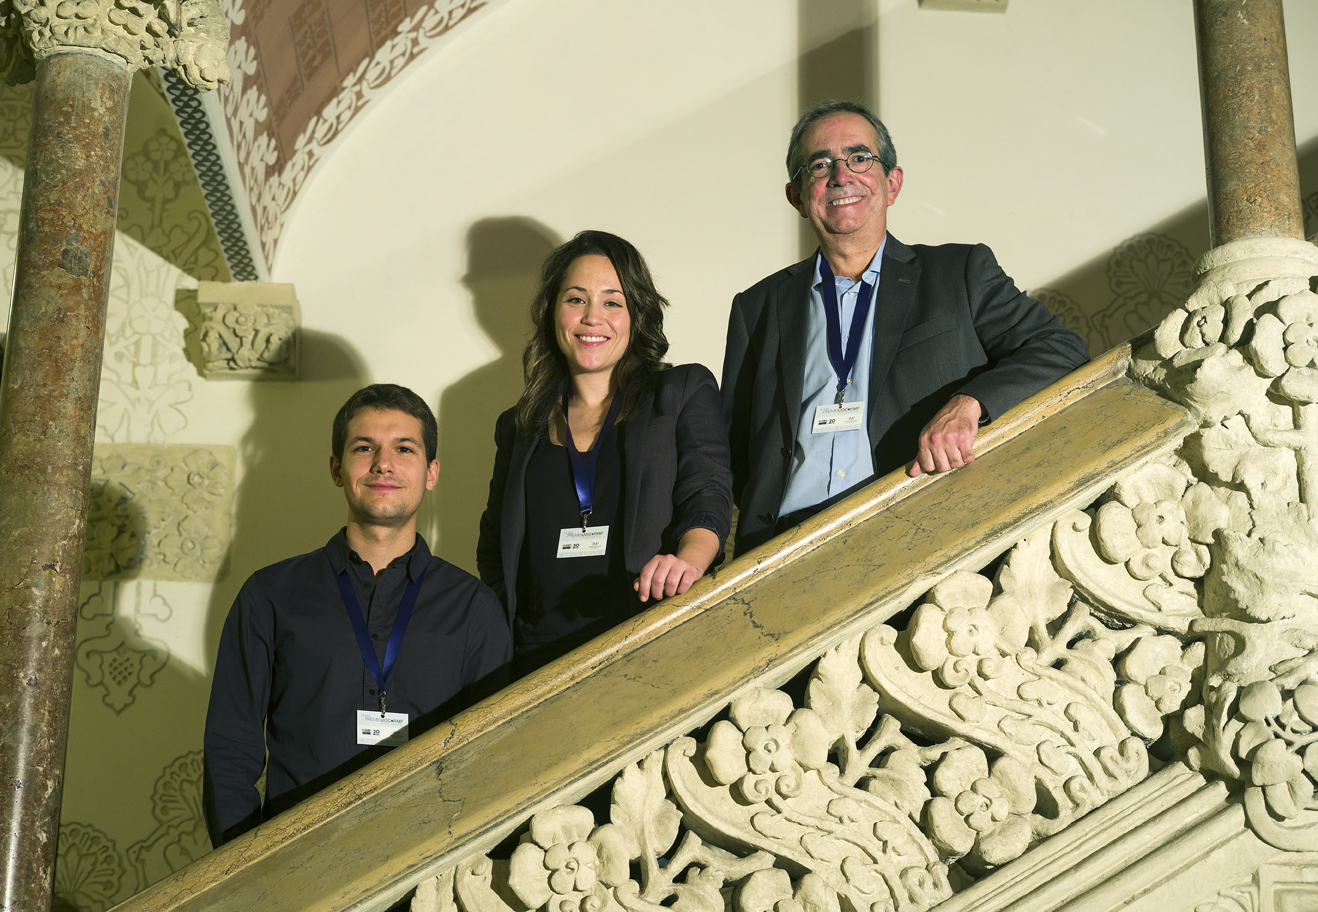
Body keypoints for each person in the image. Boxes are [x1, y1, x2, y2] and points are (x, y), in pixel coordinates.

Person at [722, 101, 1090, 556]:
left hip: (916, 526)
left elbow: (1059, 348)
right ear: (797, 196)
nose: (841, 176)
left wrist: (969, 404)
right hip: (785, 550)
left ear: (891, 183)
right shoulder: (757, 307)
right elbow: (734, 451)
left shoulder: (958, 272)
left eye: (860, 158)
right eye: (819, 165)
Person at [203, 384, 512, 846]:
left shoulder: (474, 608)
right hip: (294, 866)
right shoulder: (270, 596)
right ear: (336, 468)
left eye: (403, 449)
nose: (382, 463)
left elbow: (493, 759)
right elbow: (230, 748)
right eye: (364, 447)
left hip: (427, 871)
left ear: (431, 473)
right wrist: (246, 870)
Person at [477, 230, 732, 675]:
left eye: (612, 302)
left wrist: (686, 564)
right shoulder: (518, 426)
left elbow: (708, 495)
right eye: (576, 299)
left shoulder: (680, 393)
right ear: (553, 312)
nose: (592, 317)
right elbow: (494, 546)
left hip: (649, 644)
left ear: (637, 313)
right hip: (537, 663)